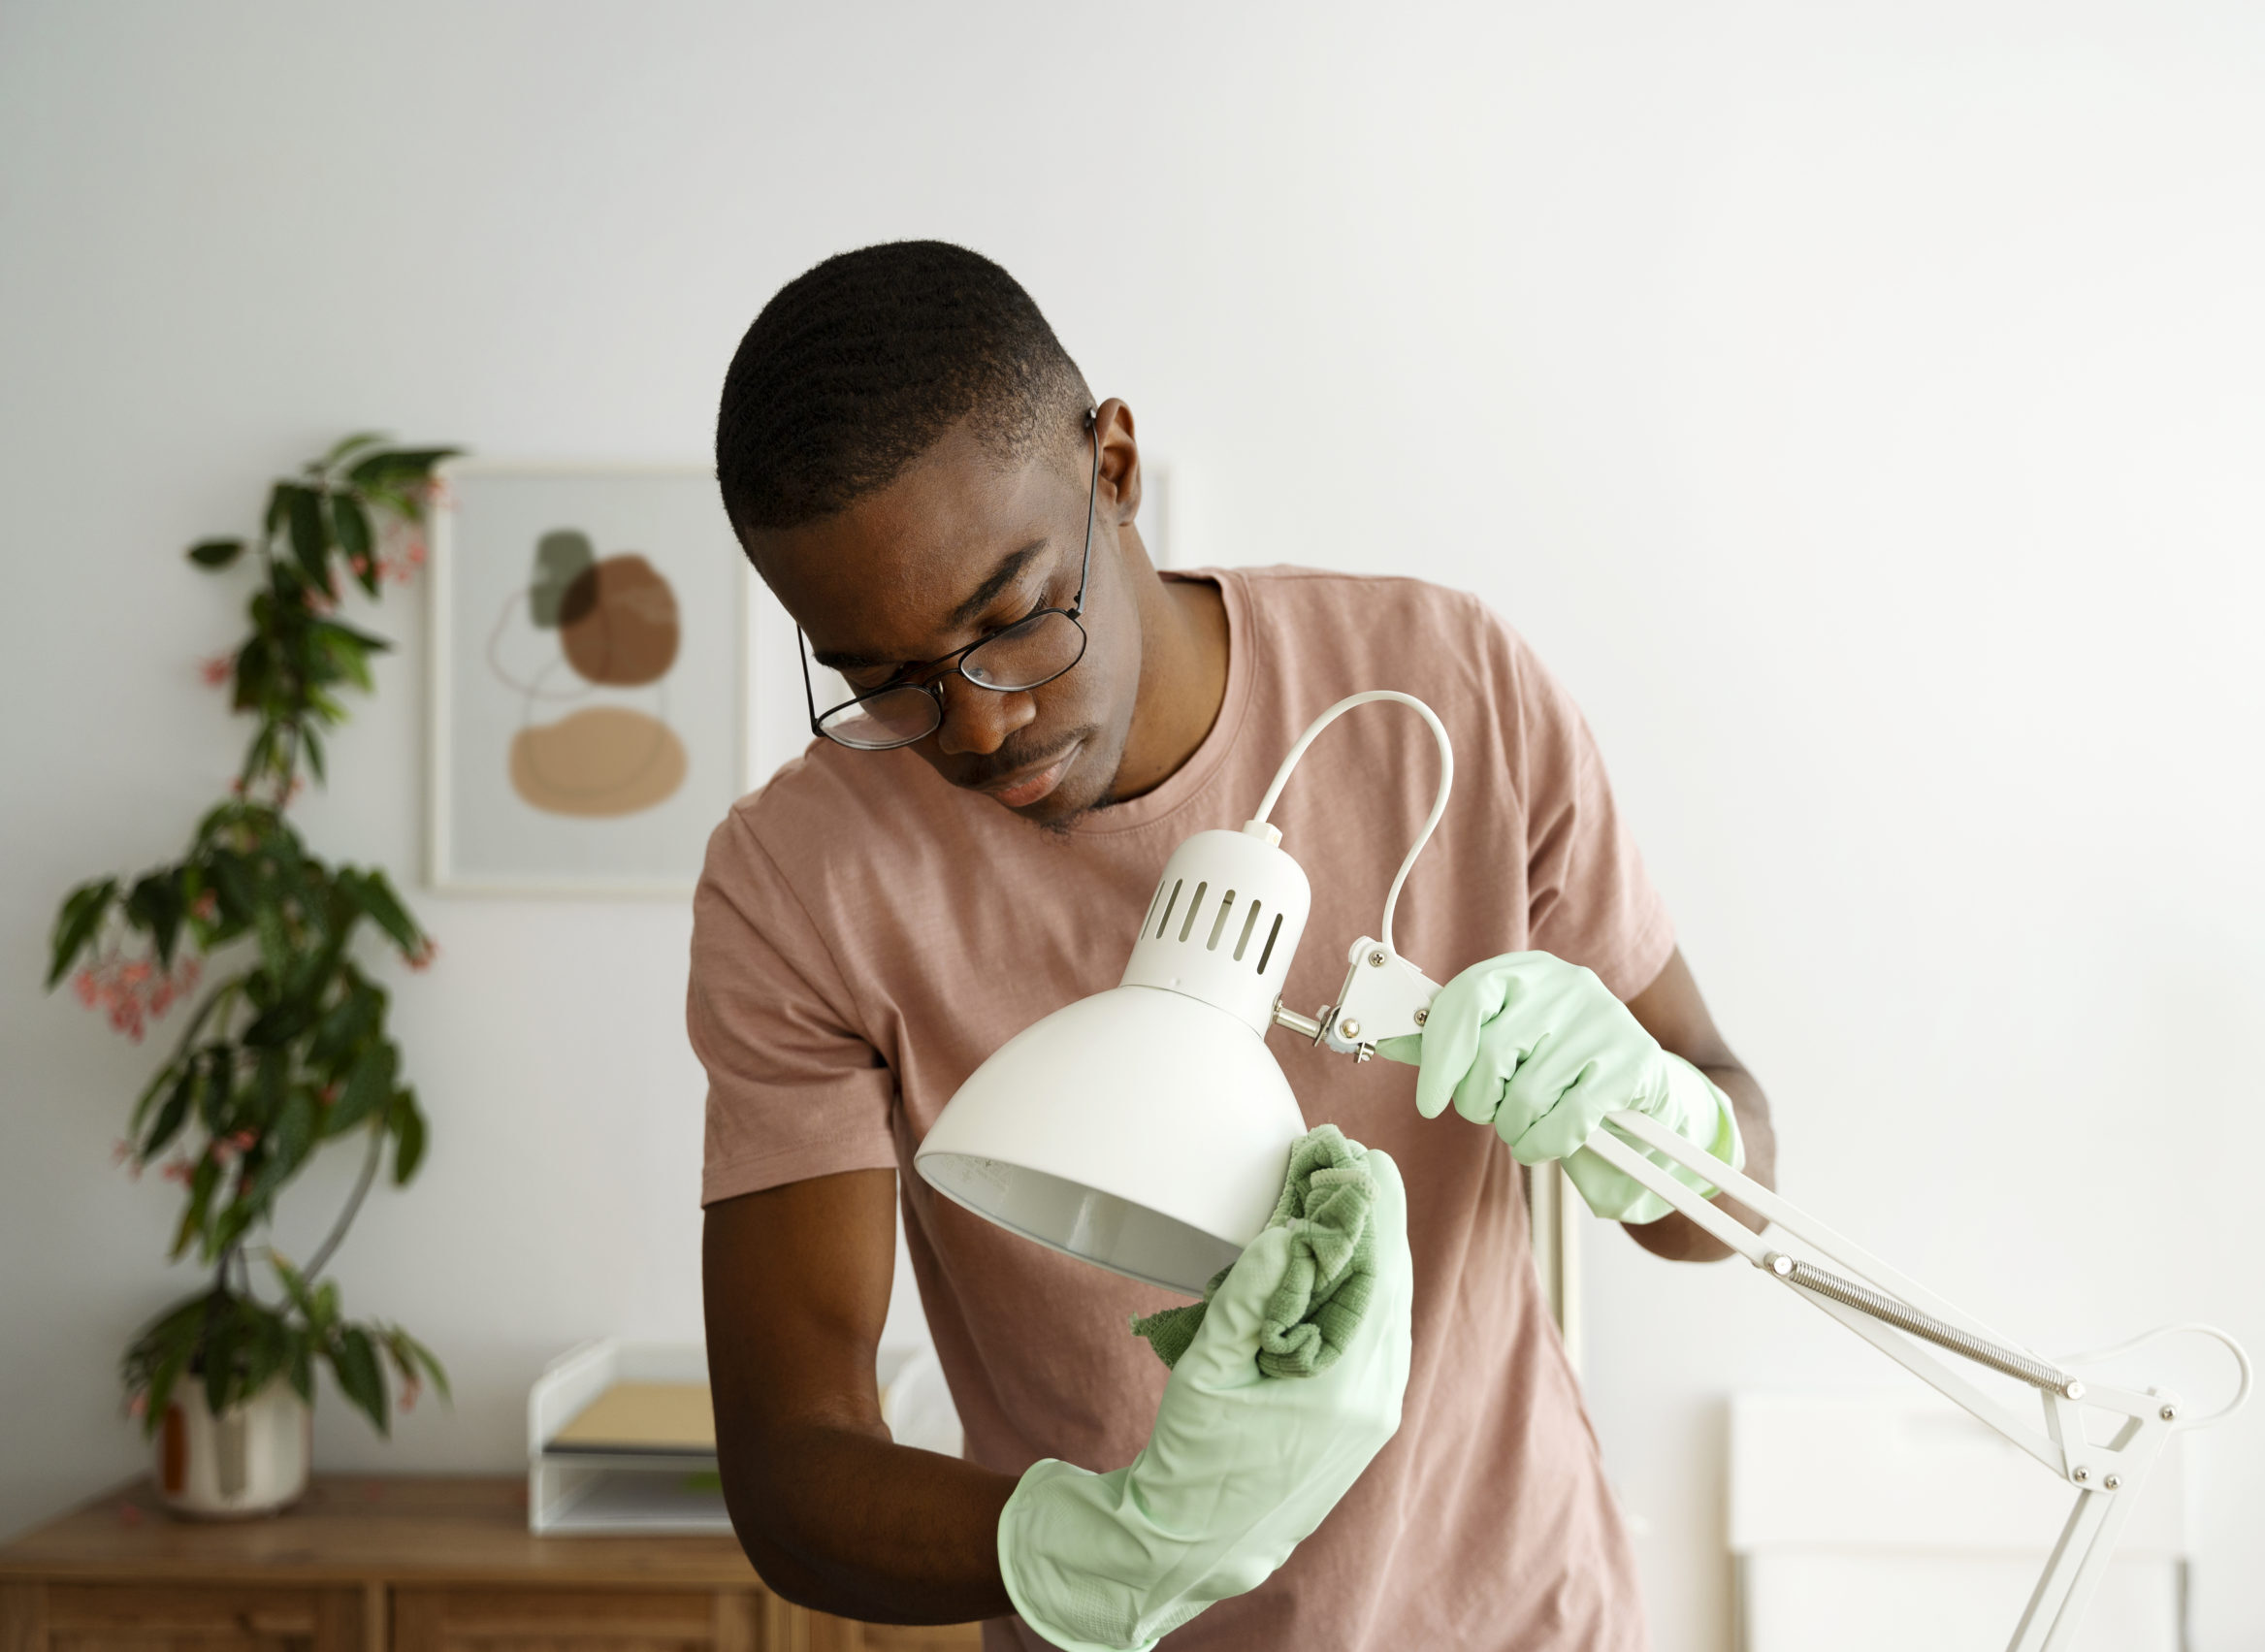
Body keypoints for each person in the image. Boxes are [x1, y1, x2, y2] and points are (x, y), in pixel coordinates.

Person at [692, 240, 1778, 1652]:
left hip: (1514, 1615)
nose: (972, 727)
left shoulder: (1444, 694)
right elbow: (790, 1472)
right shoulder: (800, 882)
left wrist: (1649, 1105)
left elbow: (1725, 1212)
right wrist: (1107, 1550)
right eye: (879, 681)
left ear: (1117, 468)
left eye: (1011, 622)